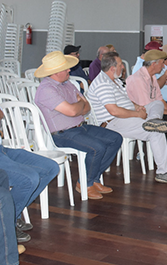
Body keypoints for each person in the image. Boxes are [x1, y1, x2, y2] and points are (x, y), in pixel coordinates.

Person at [34, 51, 123, 200]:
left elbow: (87, 108)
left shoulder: (67, 83)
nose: (69, 70)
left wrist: (78, 106)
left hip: (80, 127)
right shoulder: (46, 89)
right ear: (55, 72)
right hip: (62, 134)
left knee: (115, 138)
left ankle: (93, 178)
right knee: (97, 147)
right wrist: (79, 105)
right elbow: (72, 110)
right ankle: (85, 183)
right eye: (65, 68)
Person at [86, 52, 167, 184]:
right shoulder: (102, 83)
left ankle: (153, 121)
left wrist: (137, 106)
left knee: (155, 104)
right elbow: (114, 111)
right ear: (112, 68)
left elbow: (124, 102)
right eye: (121, 65)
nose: (123, 68)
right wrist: (137, 114)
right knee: (156, 132)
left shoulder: (114, 81)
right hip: (112, 123)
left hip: (127, 115)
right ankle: (164, 171)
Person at [0, 108, 59, 246]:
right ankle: (8, 223)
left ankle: (11, 215)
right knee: (29, 179)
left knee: (51, 168)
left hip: (3, 150)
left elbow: (1, 113)